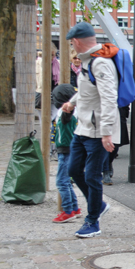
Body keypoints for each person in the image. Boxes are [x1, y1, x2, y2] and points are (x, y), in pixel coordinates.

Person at [64, 21, 119, 240]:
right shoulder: (90, 62)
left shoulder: (100, 63)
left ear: (76, 41)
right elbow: (88, 91)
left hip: (97, 131)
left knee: (93, 177)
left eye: (71, 43)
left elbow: (109, 98)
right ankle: (99, 205)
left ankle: (92, 221)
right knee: (73, 169)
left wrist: (106, 132)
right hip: (83, 127)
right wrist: (72, 102)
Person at [50, 79, 80, 224]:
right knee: (66, 181)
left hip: (66, 150)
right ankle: (74, 208)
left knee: (61, 182)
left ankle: (67, 211)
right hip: (68, 149)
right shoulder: (67, 111)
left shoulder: (67, 112)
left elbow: (67, 114)